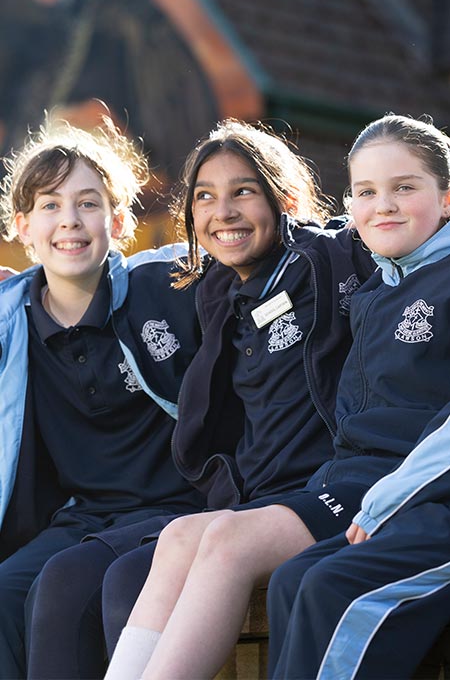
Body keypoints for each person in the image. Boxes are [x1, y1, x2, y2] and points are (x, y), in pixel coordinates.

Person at [102, 118, 374, 680]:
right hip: (263, 497)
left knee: (222, 539)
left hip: (338, 487)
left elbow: (389, 222)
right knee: (176, 537)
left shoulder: (332, 259)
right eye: (205, 197)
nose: (222, 212)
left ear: (285, 197)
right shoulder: (219, 292)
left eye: (242, 192)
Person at [0, 115, 206, 679]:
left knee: (61, 592)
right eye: (49, 205)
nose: (70, 221)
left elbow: (252, 256)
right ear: (21, 226)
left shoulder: (165, 289)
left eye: (88, 203)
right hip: (83, 516)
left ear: (118, 220)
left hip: (177, 510)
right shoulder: (10, 326)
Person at [267, 113, 450, 680]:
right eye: (367, 192)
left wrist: (390, 497)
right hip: (394, 499)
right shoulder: (377, 287)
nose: (384, 205)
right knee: (290, 580)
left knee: (333, 588)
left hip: (429, 500)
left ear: (446, 198)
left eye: (405, 187)